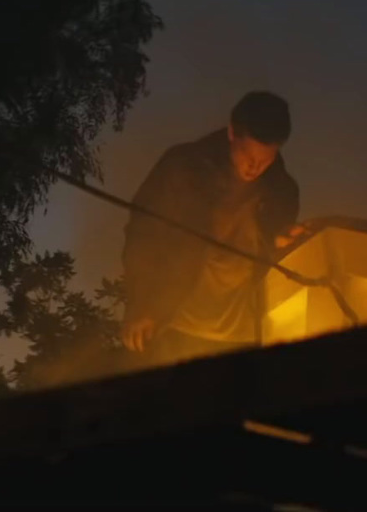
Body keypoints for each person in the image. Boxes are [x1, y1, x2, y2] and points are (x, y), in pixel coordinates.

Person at [119, 91, 305, 366]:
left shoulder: (283, 191)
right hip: (174, 323)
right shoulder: (182, 167)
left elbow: (274, 247)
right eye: (248, 155)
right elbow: (143, 236)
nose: (255, 167)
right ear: (232, 132)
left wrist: (281, 240)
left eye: (265, 160)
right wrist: (141, 302)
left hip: (244, 335)